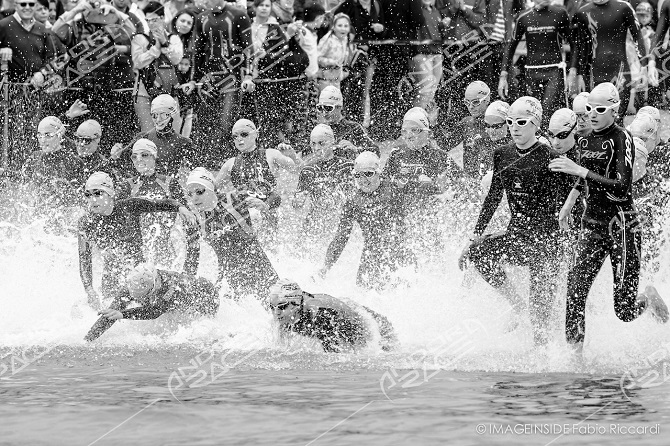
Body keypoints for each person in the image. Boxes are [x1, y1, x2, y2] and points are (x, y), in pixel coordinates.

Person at [549, 82, 669, 351]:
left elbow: (621, 185)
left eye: (599, 109)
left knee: (624, 311)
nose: (592, 113)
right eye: (589, 108)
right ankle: (574, 359)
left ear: (614, 110)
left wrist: (579, 171)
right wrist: (569, 204)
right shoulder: (585, 138)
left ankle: (647, 299)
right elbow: (586, 178)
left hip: (623, 226)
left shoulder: (620, 138)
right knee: (575, 291)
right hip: (592, 225)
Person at [458, 96, 560, 345]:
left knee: (541, 321)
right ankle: (517, 306)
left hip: (546, 243)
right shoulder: (501, 154)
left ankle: (546, 366)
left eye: (521, 122)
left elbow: (570, 201)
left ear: (535, 124)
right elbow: (493, 198)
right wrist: (474, 237)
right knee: (479, 253)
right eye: (511, 122)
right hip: (518, 237)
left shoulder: (550, 157)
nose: (514, 127)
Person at [77, 171, 196, 312]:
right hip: (112, 281)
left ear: (110, 194)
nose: (92, 199)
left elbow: (159, 204)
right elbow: (84, 259)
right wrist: (90, 290)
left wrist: (181, 208)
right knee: (116, 320)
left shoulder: (129, 206)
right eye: (88, 194)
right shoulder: (86, 223)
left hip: (140, 277)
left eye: (97, 193)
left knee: (152, 314)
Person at [53, 0, 138, 149]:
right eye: (92, 2)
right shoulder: (76, 24)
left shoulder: (112, 26)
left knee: (105, 133)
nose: (96, 6)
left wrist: (114, 11)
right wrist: (76, 10)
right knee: (78, 132)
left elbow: (132, 32)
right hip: (79, 88)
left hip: (106, 86)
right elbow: (55, 31)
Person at [320, 151, 410, 290]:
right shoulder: (353, 202)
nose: (363, 180)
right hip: (371, 252)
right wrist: (326, 266)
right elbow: (341, 237)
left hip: (397, 250)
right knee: (363, 290)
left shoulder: (393, 191)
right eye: (358, 175)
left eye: (368, 174)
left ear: (378, 172)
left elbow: (405, 223)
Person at [184, 167, 279, 297]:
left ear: (211, 188)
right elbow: (191, 261)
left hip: (261, 270)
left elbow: (274, 195)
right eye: (190, 194)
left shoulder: (234, 198)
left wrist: (266, 204)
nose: (194, 199)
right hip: (231, 280)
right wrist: (186, 287)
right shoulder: (194, 222)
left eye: (199, 191)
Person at [84, 263, 219, 341]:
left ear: (153, 289)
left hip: (206, 296)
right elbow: (112, 314)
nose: (138, 300)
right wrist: (87, 340)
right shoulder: (134, 283)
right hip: (178, 300)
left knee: (199, 333)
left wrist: (123, 314)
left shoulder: (170, 288)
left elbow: (155, 312)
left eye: (141, 298)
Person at [191, 0, 254, 162]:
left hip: (232, 76)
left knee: (227, 122)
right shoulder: (201, 18)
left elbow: (248, 47)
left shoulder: (239, 15)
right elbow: (197, 51)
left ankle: (227, 160)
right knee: (205, 122)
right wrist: (193, 80)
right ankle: (207, 160)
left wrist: (248, 75)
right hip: (209, 77)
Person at [0, 0, 58, 169]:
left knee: (32, 133)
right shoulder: (4, 25)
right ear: (16, 4)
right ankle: (6, 173)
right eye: (23, 3)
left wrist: (42, 73)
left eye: (31, 4)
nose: (27, 7)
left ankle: (27, 171)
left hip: (34, 91)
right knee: (8, 133)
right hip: (8, 90)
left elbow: (54, 59)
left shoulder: (42, 28)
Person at [269, 279, 397, 352]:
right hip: (350, 312)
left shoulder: (320, 316)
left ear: (296, 304)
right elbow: (281, 350)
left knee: (381, 355)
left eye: (282, 306)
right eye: (272, 307)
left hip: (375, 325)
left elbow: (335, 358)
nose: (276, 312)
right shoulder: (284, 314)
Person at [118, 138, 188, 269]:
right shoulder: (127, 186)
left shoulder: (169, 183)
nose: (139, 159)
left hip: (165, 254)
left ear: (154, 157)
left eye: (144, 155)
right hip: (135, 254)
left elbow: (187, 219)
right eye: (134, 156)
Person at [498, 0, 571, 126]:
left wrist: (573, 71)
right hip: (532, 72)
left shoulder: (560, 13)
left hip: (554, 70)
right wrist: (503, 77)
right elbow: (511, 47)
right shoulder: (524, 16)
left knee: (547, 111)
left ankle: (550, 141)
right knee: (532, 114)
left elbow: (574, 43)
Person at [569, 0, 648, 116]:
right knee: (596, 121)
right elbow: (582, 46)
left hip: (619, 71)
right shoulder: (583, 11)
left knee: (617, 119)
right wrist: (579, 73)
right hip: (593, 74)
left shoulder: (623, 7)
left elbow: (637, 36)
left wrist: (644, 66)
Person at [252, 0, 310, 149]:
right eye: (261, 5)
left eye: (267, 5)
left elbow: (282, 54)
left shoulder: (275, 27)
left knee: (273, 117)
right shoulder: (249, 26)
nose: (264, 8)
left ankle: (275, 148)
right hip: (252, 77)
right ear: (255, 7)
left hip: (272, 79)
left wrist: (266, 55)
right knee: (258, 118)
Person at [216, 118, 298, 216]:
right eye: (235, 136)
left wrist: (293, 156)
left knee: (273, 198)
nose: (239, 139)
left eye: (244, 134)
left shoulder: (271, 155)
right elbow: (211, 191)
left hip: (268, 213)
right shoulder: (230, 164)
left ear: (256, 134)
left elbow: (300, 171)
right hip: (244, 219)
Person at [110, 94, 195, 177]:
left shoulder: (184, 143)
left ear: (172, 114)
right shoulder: (142, 137)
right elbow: (121, 165)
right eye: (154, 115)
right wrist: (116, 155)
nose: (158, 119)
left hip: (168, 188)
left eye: (163, 114)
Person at [293, 123, 354, 235]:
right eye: (313, 144)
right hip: (315, 224)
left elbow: (355, 200)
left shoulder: (347, 166)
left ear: (333, 141)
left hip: (341, 224)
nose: (316, 148)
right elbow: (297, 206)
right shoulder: (308, 170)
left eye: (321, 143)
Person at [132, 1, 183, 133]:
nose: (151, 23)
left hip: (170, 91)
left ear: (162, 18)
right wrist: (156, 48)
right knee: (149, 132)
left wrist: (165, 43)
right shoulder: (140, 38)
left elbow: (177, 59)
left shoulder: (173, 38)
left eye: (154, 20)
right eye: (148, 20)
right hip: (144, 92)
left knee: (173, 134)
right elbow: (138, 62)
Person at [384, 107, 453, 199]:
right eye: (404, 131)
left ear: (427, 133)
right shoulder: (396, 153)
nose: (408, 135)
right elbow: (382, 183)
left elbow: (461, 185)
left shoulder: (440, 156)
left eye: (414, 130)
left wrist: (436, 187)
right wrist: (398, 182)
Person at [440, 81, 491, 180]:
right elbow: (446, 145)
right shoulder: (466, 123)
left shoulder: (497, 124)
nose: (470, 107)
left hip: (491, 181)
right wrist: (435, 125)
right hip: (471, 183)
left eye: (476, 102)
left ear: (487, 100)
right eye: (467, 102)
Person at [309, 85, 378, 157]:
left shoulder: (353, 127)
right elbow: (305, 156)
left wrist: (356, 149)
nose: (324, 112)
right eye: (320, 108)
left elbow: (375, 151)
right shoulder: (319, 131)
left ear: (339, 107)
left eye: (328, 108)